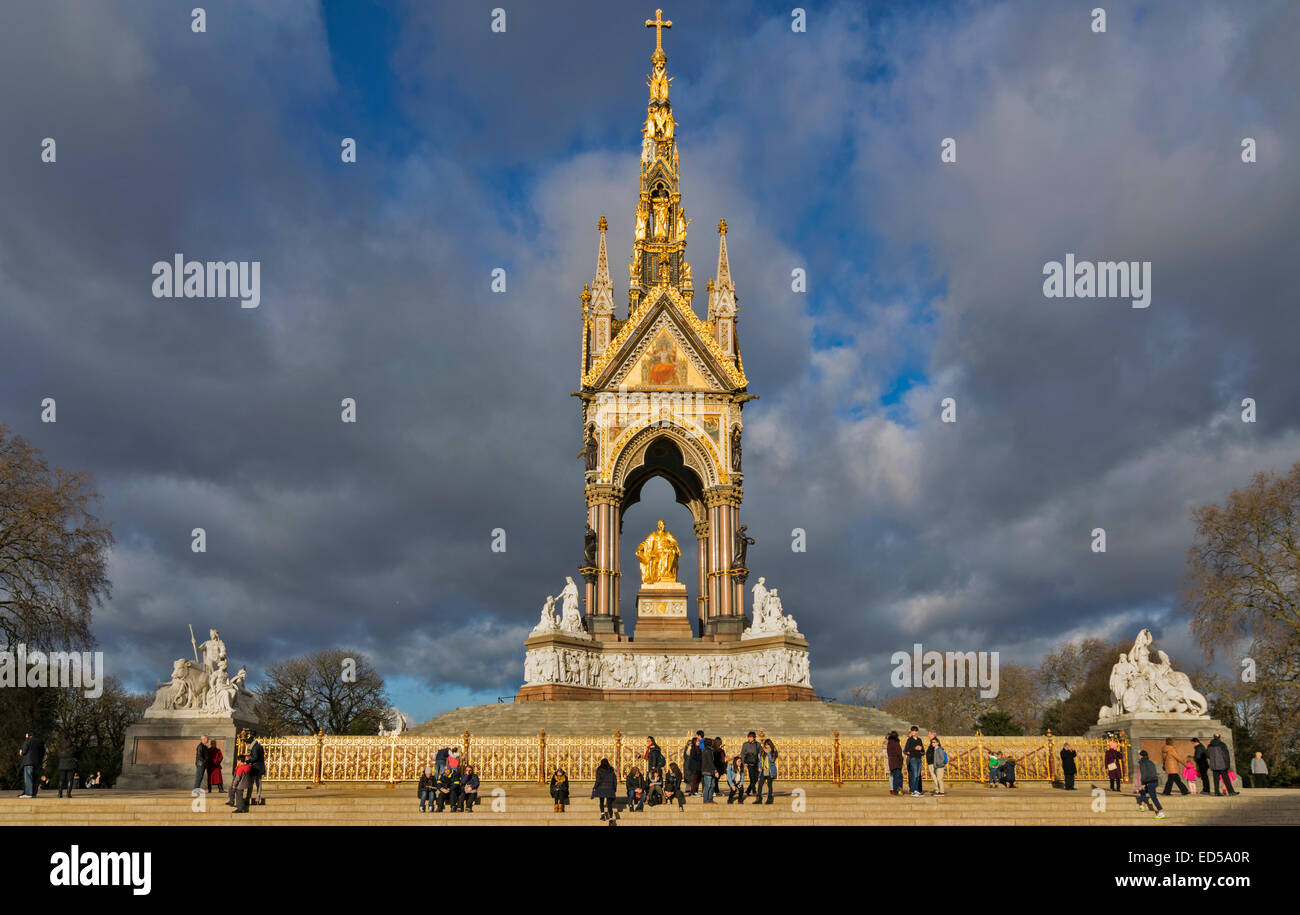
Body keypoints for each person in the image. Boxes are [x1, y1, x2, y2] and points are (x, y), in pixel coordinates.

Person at [1135, 749, 1167, 818]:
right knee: (1142, 791)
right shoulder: (1150, 762)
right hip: (1154, 781)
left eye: (1139, 755)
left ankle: (1161, 811)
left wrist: (1143, 783)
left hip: (1150, 782)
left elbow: (1144, 773)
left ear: (1141, 756)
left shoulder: (1142, 763)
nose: (1138, 756)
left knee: (1153, 797)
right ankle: (1142, 806)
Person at [741, 732, 762, 798]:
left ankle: (748, 790)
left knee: (755, 778)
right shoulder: (745, 744)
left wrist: (761, 763)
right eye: (748, 737)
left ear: (754, 738)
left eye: (750, 737)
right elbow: (742, 754)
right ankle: (754, 791)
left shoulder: (757, 744)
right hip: (748, 763)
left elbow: (761, 753)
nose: (749, 738)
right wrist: (743, 762)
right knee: (751, 778)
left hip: (756, 762)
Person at [247, 734, 266, 806]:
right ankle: (257, 798)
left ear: (249, 743)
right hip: (259, 767)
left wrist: (248, 761)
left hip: (256, 768)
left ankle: (250, 798)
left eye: (247, 745)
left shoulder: (255, 747)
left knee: (252, 783)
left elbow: (255, 757)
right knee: (258, 783)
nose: (247, 746)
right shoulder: (258, 746)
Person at [758, 738, 778, 804]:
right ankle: (759, 798)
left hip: (770, 770)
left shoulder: (773, 751)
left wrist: (768, 753)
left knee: (769, 784)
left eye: (768, 744)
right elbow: (760, 761)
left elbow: (772, 760)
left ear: (770, 745)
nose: (766, 746)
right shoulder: (763, 751)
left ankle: (769, 799)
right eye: (765, 744)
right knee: (760, 784)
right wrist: (759, 767)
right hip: (764, 770)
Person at [698, 735, 716, 804]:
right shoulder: (707, 751)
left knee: (712, 785)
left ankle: (710, 799)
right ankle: (706, 800)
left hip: (709, 770)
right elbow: (710, 762)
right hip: (707, 771)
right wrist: (715, 770)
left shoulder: (708, 750)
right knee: (707, 786)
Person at [885, 731, 903, 795]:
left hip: (892, 762)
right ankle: (898, 790)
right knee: (898, 777)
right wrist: (901, 760)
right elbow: (899, 753)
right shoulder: (896, 743)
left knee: (895, 777)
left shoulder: (889, 743)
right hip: (897, 762)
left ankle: (895, 790)